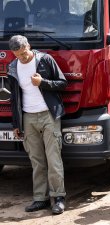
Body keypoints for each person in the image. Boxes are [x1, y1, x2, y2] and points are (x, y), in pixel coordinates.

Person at [7, 35, 67, 214]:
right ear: (13, 54)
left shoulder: (45, 59)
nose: (22, 57)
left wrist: (43, 83)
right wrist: (16, 123)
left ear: (29, 47)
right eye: (18, 55)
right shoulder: (13, 67)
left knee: (54, 159)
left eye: (24, 53)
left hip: (49, 115)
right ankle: (40, 199)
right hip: (28, 117)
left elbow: (62, 83)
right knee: (36, 161)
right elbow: (14, 99)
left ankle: (58, 198)